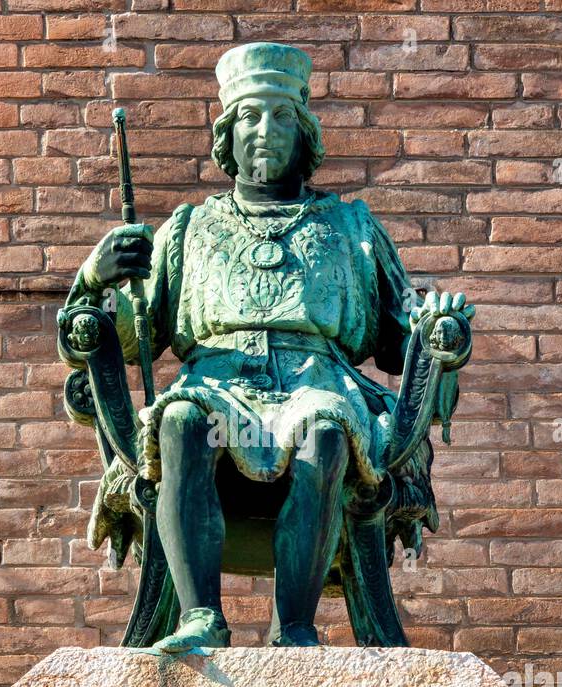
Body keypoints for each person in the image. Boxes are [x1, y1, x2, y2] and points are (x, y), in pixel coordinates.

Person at [68, 42, 472, 654]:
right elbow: (135, 334)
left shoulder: (350, 226)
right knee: (178, 420)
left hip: (319, 381)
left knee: (329, 433)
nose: (265, 131)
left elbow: (400, 336)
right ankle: (201, 617)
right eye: (251, 117)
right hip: (217, 381)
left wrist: (438, 325)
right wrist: (96, 278)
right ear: (227, 137)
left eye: (282, 117)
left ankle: (297, 629)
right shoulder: (188, 228)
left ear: (303, 132)